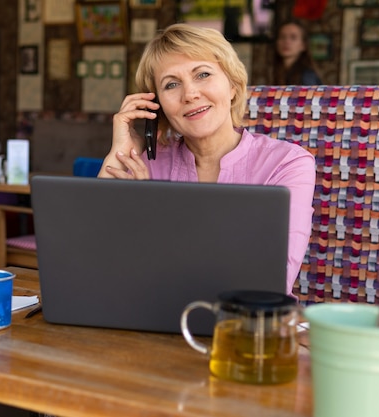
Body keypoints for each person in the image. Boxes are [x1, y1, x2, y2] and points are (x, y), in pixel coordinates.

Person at [98, 23, 316, 295]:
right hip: (148, 318)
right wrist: (119, 151)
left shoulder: (288, 164)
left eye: (202, 74)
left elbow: (271, 282)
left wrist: (152, 222)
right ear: (157, 105)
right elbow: (96, 259)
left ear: (233, 86)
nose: (189, 94)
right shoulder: (147, 164)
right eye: (172, 84)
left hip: (244, 327)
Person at [272, 20, 322, 85]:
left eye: (293, 37)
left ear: (303, 45)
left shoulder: (307, 75)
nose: (286, 41)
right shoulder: (277, 71)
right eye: (282, 37)